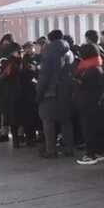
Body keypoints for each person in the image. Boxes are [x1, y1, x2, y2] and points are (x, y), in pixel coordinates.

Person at [36, 30, 75, 158]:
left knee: (48, 121)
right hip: (66, 91)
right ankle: (69, 149)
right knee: (66, 121)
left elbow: (44, 76)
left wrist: (39, 93)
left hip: (50, 93)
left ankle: (51, 151)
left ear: (50, 39)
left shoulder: (50, 53)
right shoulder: (69, 52)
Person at [73, 43, 104, 165]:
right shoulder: (97, 66)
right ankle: (97, 152)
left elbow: (82, 85)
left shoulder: (90, 70)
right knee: (95, 128)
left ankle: (90, 154)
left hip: (88, 104)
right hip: (94, 104)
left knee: (88, 130)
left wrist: (76, 81)